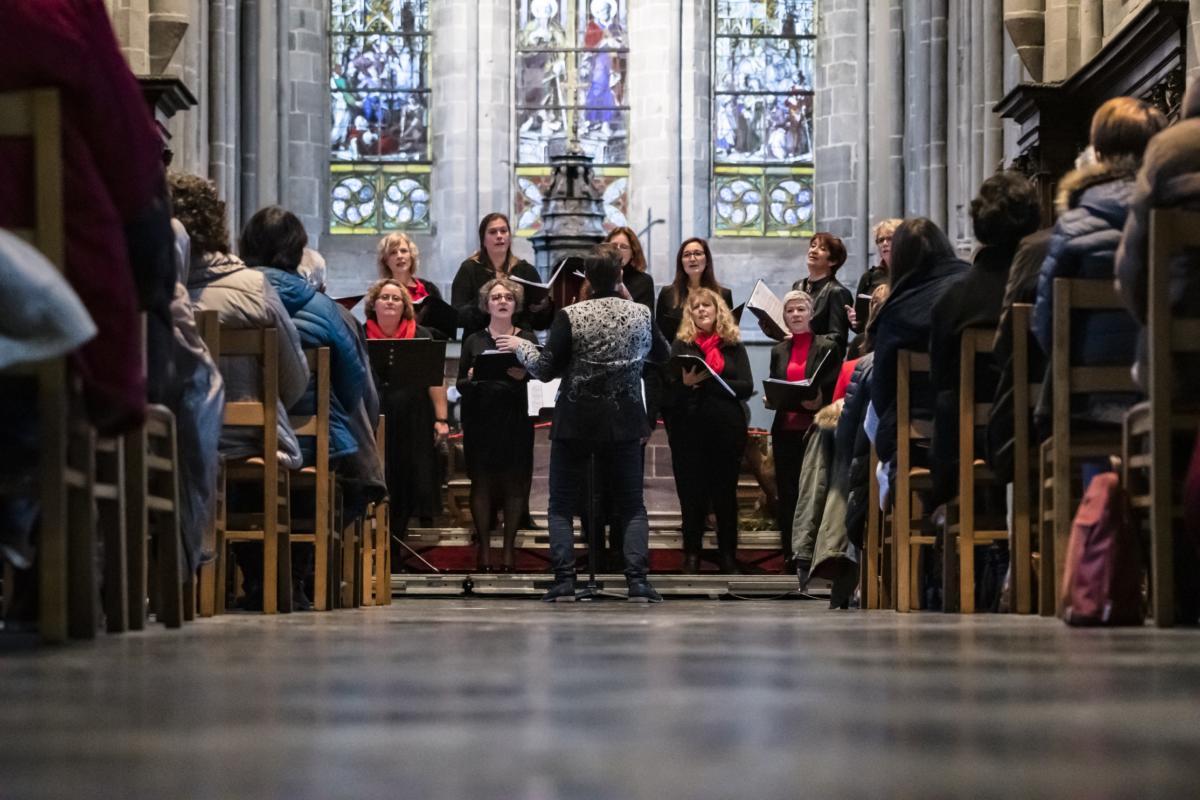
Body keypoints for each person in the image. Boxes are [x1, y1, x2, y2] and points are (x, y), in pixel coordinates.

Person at [497, 249, 668, 603]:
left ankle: (564, 579)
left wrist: (521, 346)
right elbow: (663, 355)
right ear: (620, 276)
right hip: (624, 419)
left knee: (561, 504)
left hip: (576, 419)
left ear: (587, 279)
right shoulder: (641, 314)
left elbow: (545, 369)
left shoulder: (571, 315)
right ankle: (637, 581)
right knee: (632, 504)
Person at [1032, 96, 1167, 424]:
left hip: (1094, 399)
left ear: (1099, 153)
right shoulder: (1174, 213)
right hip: (1164, 389)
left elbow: (1046, 324)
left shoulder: (1074, 224)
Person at [928, 172, 1040, 508]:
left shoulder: (955, 298)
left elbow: (941, 376)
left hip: (976, 438)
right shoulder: (1047, 283)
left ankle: (959, 510)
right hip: (1042, 425)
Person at [240, 207, 367, 467]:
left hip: (234, 439)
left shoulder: (227, 302)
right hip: (308, 442)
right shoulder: (324, 309)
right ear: (298, 253)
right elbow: (353, 388)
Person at [870, 217, 969, 492]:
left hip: (925, 430)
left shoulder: (899, 308)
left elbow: (882, 391)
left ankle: (887, 506)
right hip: (990, 426)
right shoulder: (974, 283)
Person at [662, 288, 753, 574]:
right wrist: (685, 384)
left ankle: (727, 556)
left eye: (707, 306)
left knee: (725, 494)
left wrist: (713, 382)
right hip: (689, 429)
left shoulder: (732, 345)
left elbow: (746, 386)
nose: (702, 310)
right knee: (691, 495)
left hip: (726, 428)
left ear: (717, 311)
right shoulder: (682, 345)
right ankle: (692, 555)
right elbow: (668, 392)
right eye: (696, 307)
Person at [455, 277, 538, 572]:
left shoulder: (527, 337)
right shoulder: (474, 340)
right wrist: (473, 376)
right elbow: (460, 384)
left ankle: (508, 551)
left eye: (508, 298)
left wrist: (524, 376)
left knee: (515, 484)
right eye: (496, 297)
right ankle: (485, 551)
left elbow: (540, 376)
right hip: (481, 420)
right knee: (482, 483)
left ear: (516, 305)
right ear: (486, 304)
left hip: (515, 419)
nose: (502, 301)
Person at [364, 278, 450, 546]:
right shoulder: (359, 334)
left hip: (414, 419)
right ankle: (376, 545)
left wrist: (441, 419)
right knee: (379, 478)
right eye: (384, 297)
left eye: (396, 298)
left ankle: (395, 544)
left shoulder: (421, 335)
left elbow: (435, 380)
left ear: (405, 306)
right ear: (373, 304)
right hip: (372, 418)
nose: (390, 302)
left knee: (408, 481)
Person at [765, 290, 842, 552]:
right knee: (787, 493)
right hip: (785, 429)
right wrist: (772, 399)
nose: (795, 314)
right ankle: (789, 551)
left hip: (815, 429)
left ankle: (813, 552)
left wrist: (821, 401)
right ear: (784, 317)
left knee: (814, 492)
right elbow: (776, 382)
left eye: (801, 309)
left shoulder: (827, 347)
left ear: (811, 313)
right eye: (790, 311)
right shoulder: (778, 350)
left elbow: (836, 389)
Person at [451, 212, 551, 339]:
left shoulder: (526, 270)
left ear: (509, 238)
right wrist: (486, 300)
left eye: (503, 231)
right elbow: (457, 317)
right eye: (493, 232)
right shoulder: (469, 269)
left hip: (520, 341)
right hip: (480, 340)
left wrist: (542, 308)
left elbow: (541, 324)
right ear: (483, 240)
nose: (499, 236)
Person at [655, 238, 733, 343]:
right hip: (676, 351)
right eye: (687, 255)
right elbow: (659, 336)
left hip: (711, 352)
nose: (692, 259)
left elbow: (729, 334)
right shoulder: (667, 294)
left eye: (698, 253)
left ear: (707, 260)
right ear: (681, 262)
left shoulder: (723, 294)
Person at [377, 232, 452, 339]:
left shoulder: (429, 289)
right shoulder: (380, 292)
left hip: (426, 346)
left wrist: (419, 332)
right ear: (385, 261)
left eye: (404, 251)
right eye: (393, 253)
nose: (399, 256)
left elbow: (443, 330)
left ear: (411, 256)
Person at [848, 219, 901, 341]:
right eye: (880, 240)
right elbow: (861, 325)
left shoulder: (913, 274)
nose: (885, 243)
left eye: (890, 238)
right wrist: (854, 321)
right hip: (874, 341)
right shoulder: (869, 277)